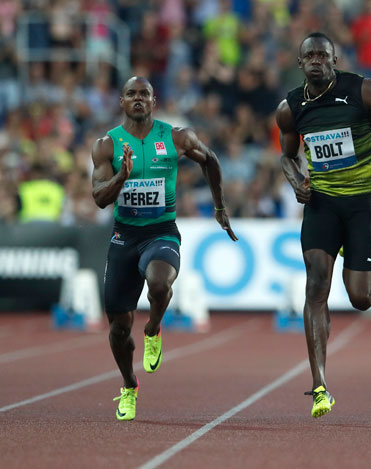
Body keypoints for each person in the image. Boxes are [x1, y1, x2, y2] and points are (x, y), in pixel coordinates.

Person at [275, 32, 371, 418]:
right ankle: (320, 384)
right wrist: (295, 179)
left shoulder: (363, 91)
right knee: (316, 283)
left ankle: (353, 267)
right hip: (321, 203)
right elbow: (286, 157)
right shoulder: (290, 108)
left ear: (335, 60)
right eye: (310, 55)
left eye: (324, 54)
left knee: (361, 299)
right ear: (300, 63)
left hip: (360, 203)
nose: (317, 60)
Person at [91, 76, 237, 421]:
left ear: (154, 101)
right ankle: (129, 385)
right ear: (122, 101)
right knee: (118, 328)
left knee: (159, 283)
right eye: (131, 94)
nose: (138, 99)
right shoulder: (107, 145)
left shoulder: (176, 137)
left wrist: (219, 207)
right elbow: (99, 198)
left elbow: (211, 160)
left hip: (161, 231)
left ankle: (154, 328)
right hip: (123, 237)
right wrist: (120, 177)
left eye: (144, 94)